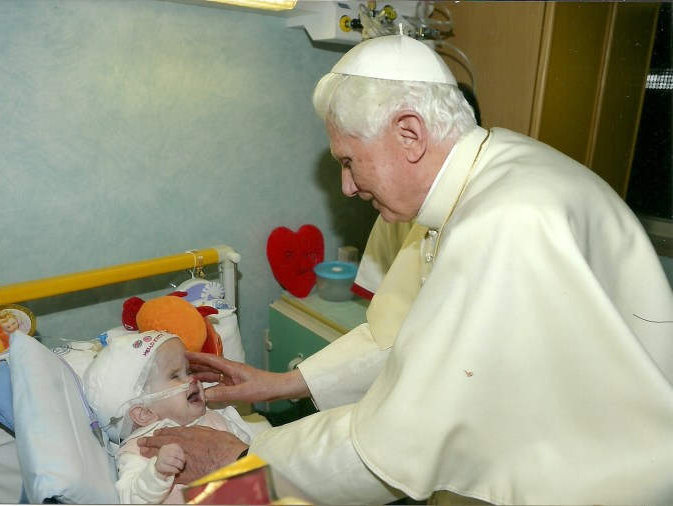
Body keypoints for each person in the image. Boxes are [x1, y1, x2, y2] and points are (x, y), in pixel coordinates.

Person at [138, 35, 673, 505]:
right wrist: (282, 384)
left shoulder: (505, 220)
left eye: (348, 161)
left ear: (410, 133)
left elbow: (399, 442)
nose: (347, 186)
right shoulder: (487, 179)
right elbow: (404, 342)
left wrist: (245, 462)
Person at [83, 330, 255, 504]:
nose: (193, 379)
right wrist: (157, 474)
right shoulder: (140, 449)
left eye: (188, 371)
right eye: (175, 376)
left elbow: (257, 456)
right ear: (144, 413)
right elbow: (130, 498)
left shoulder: (217, 420)